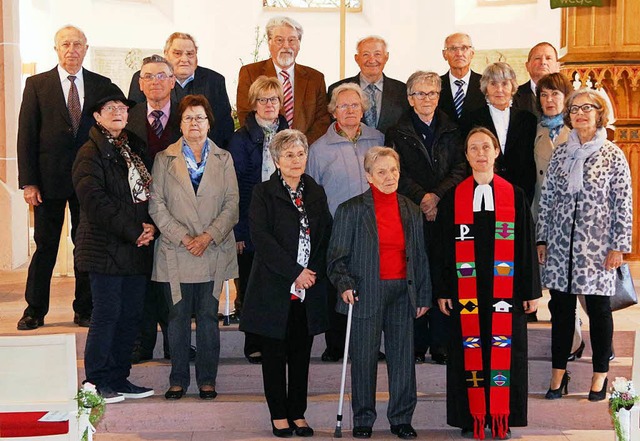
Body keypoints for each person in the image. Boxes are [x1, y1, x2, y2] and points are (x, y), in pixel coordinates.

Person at [435, 127, 541, 440]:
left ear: (496, 151)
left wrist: (531, 291)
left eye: (486, 147)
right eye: (473, 149)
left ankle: (501, 417)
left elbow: (525, 245)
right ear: (465, 156)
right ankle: (471, 418)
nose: (481, 154)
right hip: (466, 292)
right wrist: (442, 289)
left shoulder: (514, 194)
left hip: (505, 292)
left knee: (506, 354)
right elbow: (442, 248)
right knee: (467, 351)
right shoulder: (454, 197)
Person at [328, 147, 431, 440]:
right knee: (364, 358)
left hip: (402, 292)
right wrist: (344, 283)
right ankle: (363, 418)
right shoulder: (350, 210)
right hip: (364, 292)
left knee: (402, 359)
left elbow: (419, 256)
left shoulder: (410, 209)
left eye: (394, 171)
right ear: (369, 176)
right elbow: (336, 258)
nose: (389, 177)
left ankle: (401, 418)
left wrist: (423, 295)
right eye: (382, 172)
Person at [16, 25, 115, 330]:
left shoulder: (102, 85)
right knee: (45, 246)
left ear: (86, 49)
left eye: (77, 44)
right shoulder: (37, 85)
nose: (72, 50)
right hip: (48, 182)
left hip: (91, 182)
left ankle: (84, 309)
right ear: (56, 49)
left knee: (84, 245)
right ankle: (34, 310)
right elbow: (26, 135)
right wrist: (28, 182)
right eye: (65, 45)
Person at [537, 88, 632, 402]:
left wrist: (618, 245)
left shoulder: (613, 154)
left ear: (598, 113)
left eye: (587, 108)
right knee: (561, 310)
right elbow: (548, 198)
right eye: (574, 108)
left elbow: (623, 203)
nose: (580, 113)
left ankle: (600, 375)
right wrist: (542, 237)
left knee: (600, 310)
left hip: (598, 249)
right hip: (561, 246)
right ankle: (558, 373)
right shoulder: (562, 152)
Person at [239, 130, 332, 438]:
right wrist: (295, 272)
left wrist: (312, 271)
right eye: (289, 155)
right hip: (274, 289)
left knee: (301, 357)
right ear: (276, 160)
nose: (296, 160)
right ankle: (279, 415)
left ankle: (298, 413)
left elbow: (324, 237)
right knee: (275, 358)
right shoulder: (263, 193)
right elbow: (262, 240)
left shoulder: (315, 191)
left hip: (308, 289)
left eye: (300, 154)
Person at [149, 94, 239, 401]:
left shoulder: (224, 159)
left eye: (199, 118)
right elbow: (156, 205)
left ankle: (207, 380)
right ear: (180, 123)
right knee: (176, 319)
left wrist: (208, 236)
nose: (194, 124)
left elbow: (232, 204)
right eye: (188, 118)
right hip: (177, 251)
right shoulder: (164, 159)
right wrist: (184, 237)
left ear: (209, 122)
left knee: (207, 317)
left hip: (212, 250)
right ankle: (178, 379)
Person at [72, 86, 156, 403]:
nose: (119, 112)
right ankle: (95, 382)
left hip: (136, 248)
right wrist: (134, 230)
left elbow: (149, 193)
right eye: (110, 108)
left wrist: (151, 227)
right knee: (107, 316)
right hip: (105, 248)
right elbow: (95, 202)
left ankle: (120, 378)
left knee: (130, 316)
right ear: (97, 116)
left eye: (122, 107)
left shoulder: (132, 147)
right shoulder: (89, 153)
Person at [385, 70, 466, 365]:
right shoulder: (397, 132)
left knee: (443, 271)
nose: (426, 99)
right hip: (411, 210)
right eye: (419, 93)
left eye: (431, 93)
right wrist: (423, 198)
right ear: (409, 98)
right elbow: (397, 173)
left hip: (446, 211)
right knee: (416, 272)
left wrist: (437, 197)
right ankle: (417, 343)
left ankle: (442, 343)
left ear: (439, 95)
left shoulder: (453, 129)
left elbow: (460, 168)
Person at [307, 83, 385, 363]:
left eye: (355, 105)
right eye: (343, 105)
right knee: (336, 285)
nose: (350, 110)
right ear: (333, 111)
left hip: (373, 226)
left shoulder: (378, 140)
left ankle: (369, 344)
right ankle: (336, 343)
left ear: (364, 108)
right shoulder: (319, 149)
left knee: (369, 284)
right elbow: (312, 192)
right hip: (335, 228)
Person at [227, 76, 289, 364]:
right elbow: (234, 187)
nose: (268, 105)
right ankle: (253, 342)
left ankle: (278, 341)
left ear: (281, 102)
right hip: (251, 221)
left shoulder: (291, 136)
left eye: (273, 99)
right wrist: (238, 231)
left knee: (279, 286)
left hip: (283, 222)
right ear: (253, 104)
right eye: (262, 100)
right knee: (252, 286)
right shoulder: (240, 139)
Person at [126, 54, 182, 364]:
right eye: (148, 76)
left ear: (173, 81)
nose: (155, 82)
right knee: (143, 280)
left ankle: (176, 343)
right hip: (139, 216)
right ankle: (142, 342)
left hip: (178, 213)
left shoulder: (188, 117)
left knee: (175, 283)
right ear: (140, 83)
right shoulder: (128, 117)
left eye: (162, 76)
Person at [128, 32, 234, 148]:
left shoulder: (214, 81)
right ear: (166, 55)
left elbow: (224, 126)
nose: (184, 59)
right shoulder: (145, 77)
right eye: (177, 53)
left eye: (190, 54)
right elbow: (133, 120)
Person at [236, 16, 331, 145]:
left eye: (292, 40)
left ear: (299, 44)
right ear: (269, 43)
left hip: (303, 153)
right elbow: (245, 114)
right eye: (279, 40)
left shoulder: (315, 78)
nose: (286, 46)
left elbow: (322, 120)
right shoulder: (250, 73)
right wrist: (273, 145)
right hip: (263, 151)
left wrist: (299, 145)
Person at [466, 62, 537, 202]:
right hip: (483, 191)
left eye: (504, 84)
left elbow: (530, 161)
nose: (499, 89)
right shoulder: (471, 120)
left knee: (512, 225)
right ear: (486, 88)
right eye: (493, 84)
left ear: (513, 88)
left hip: (520, 192)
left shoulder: (528, 120)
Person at [327, 35, 409, 134]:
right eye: (366, 54)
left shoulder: (402, 90)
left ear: (386, 57)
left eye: (377, 54)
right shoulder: (337, 90)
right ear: (357, 58)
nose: (372, 60)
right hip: (349, 148)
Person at [438, 33, 485, 128]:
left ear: (472, 53)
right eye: (453, 49)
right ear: (444, 54)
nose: (459, 54)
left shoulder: (486, 84)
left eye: (464, 48)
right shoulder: (435, 85)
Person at [513, 43, 560, 119]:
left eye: (548, 58)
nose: (543, 62)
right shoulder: (513, 96)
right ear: (527, 66)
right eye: (537, 58)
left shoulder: (569, 96)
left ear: (558, 66)